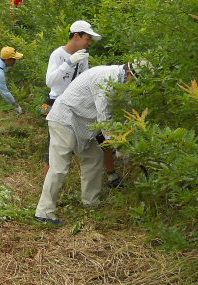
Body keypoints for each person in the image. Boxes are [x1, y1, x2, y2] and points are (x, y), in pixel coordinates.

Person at [34, 60, 145, 225]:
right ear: (130, 74)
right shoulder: (106, 79)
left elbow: (123, 112)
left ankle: (91, 202)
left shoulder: (120, 80)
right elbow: (104, 118)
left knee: (94, 157)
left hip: (82, 124)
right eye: (136, 82)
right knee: (59, 166)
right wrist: (118, 145)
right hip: (64, 119)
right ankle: (43, 212)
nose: (136, 86)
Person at [43, 21, 110, 177]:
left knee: (93, 138)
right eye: (87, 39)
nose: (89, 43)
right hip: (56, 103)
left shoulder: (83, 57)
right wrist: (68, 63)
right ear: (76, 36)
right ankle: (46, 188)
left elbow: (85, 79)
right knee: (54, 146)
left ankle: (110, 173)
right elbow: (50, 82)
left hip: (76, 104)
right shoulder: (58, 54)